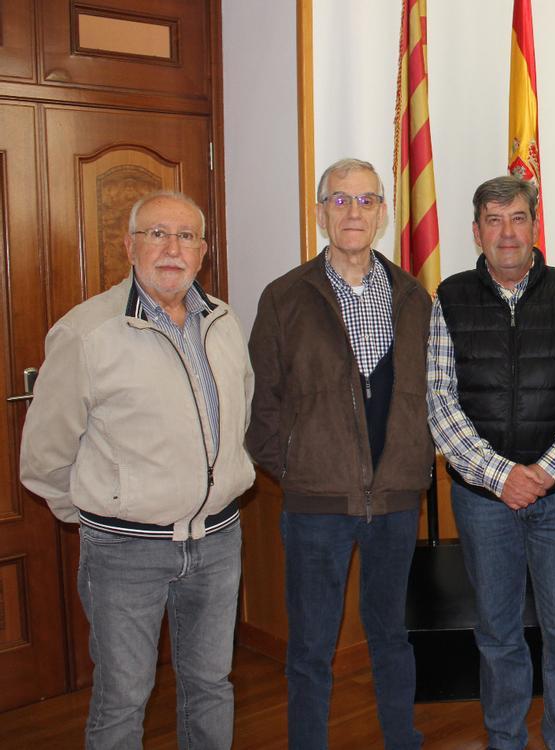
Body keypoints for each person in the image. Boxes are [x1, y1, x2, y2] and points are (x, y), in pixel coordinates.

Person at [20, 191, 255, 748]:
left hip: (218, 541)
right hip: (125, 552)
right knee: (123, 699)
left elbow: (239, 412)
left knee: (211, 685)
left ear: (202, 251)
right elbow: (44, 456)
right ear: (129, 246)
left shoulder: (223, 321)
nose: (172, 248)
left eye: (186, 236)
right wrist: (103, 513)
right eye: (156, 234)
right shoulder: (86, 332)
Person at [246, 158, 434, 750]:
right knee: (310, 647)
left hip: (397, 501)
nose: (354, 212)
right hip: (316, 506)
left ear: (383, 213)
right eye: (340, 199)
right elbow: (262, 405)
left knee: (391, 634)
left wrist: (413, 465)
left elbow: (434, 395)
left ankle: (401, 738)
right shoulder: (285, 297)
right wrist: (296, 468)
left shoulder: (415, 297)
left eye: (366, 200)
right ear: (320, 212)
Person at [426, 175, 555, 750]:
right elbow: (440, 401)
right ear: (476, 232)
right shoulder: (449, 298)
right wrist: (502, 477)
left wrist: (545, 473)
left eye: (518, 218)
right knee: (498, 632)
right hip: (483, 501)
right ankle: (505, 740)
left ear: (534, 226)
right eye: (493, 221)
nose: (506, 233)